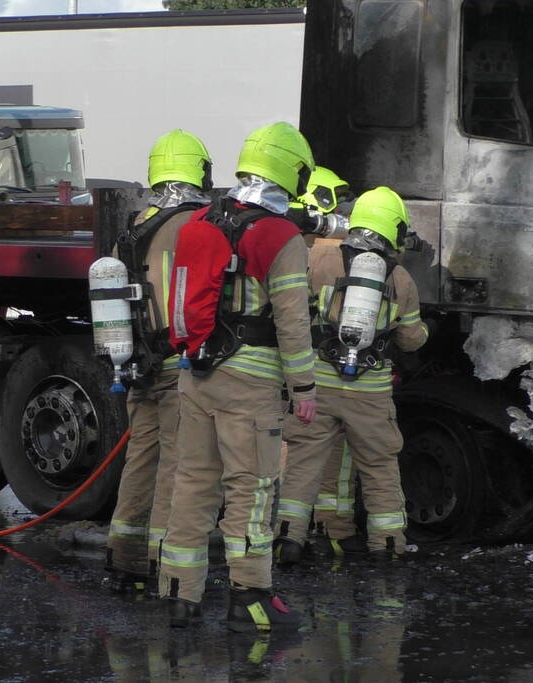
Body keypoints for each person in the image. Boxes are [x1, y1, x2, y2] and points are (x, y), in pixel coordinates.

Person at [160, 122, 317, 632]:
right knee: (253, 489)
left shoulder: (204, 219)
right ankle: (250, 599)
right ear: (291, 171)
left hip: (197, 373)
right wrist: (305, 388)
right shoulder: (280, 235)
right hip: (250, 385)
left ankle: (180, 594)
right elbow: (293, 321)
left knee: (194, 483)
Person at [275, 186, 428, 563]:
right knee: (379, 467)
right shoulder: (403, 279)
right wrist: (426, 332)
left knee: (303, 464)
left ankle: (288, 540)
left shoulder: (319, 257)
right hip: (371, 392)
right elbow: (410, 340)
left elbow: (297, 310)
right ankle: (387, 545)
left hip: (319, 384)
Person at [104, 129, 213, 594]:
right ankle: (162, 557)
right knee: (178, 460)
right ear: (196, 170)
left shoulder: (132, 231)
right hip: (177, 364)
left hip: (135, 366)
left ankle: (125, 554)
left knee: (141, 458)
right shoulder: (197, 225)